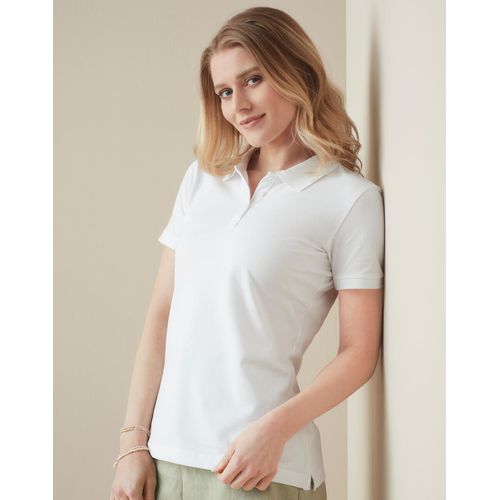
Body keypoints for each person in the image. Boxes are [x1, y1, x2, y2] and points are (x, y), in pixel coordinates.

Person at [109, 6, 385, 500]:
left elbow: (359, 353)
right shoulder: (202, 180)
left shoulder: (348, 200)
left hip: (258, 468)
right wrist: (133, 443)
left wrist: (274, 431)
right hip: (166, 460)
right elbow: (162, 314)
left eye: (253, 79)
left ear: (296, 71)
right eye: (224, 91)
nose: (239, 104)